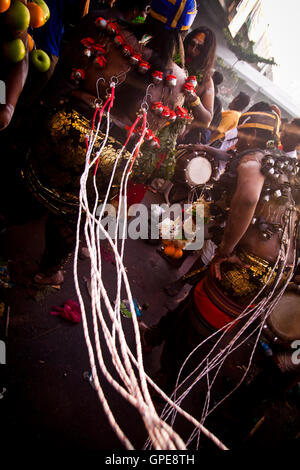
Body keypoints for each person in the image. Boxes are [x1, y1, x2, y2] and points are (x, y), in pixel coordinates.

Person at [16, 0, 197, 285]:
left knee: (30, 185)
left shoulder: (110, 31)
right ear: (183, 33)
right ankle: (47, 271)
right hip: (108, 159)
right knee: (75, 216)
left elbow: (69, 75)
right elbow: (152, 130)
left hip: (68, 126)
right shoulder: (179, 79)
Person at [141, 105, 300, 391]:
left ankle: (168, 376)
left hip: (245, 263)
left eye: (243, 135)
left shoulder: (254, 158)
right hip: (274, 272)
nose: (239, 140)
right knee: (201, 302)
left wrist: (225, 249)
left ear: (252, 134)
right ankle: (155, 335)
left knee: (201, 323)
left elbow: (249, 198)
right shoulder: (284, 168)